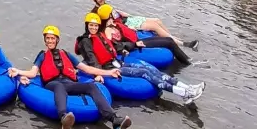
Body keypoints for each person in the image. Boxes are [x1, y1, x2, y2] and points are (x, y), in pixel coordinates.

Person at [7, 25, 132, 129]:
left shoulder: (66, 54)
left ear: (57, 40)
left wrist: (109, 72)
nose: (50, 41)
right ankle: (64, 117)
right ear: (45, 41)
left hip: (70, 83)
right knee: (59, 86)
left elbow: (87, 69)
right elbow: (33, 73)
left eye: (52, 38)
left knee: (91, 86)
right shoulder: (42, 55)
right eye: (48, 38)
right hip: (53, 84)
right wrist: (18, 72)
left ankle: (114, 119)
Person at [76, 13, 204, 104]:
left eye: (95, 25)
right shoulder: (85, 41)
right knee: (144, 72)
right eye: (91, 25)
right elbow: (91, 58)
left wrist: (132, 46)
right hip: (108, 69)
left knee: (149, 69)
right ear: (87, 25)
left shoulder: (99, 36)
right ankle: (183, 93)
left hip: (117, 63)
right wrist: (98, 74)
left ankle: (187, 88)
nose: (93, 28)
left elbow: (115, 47)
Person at [90, 0, 198, 50]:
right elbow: (103, 28)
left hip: (126, 20)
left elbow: (118, 12)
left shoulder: (106, 6)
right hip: (123, 26)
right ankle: (183, 44)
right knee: (154, 26)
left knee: (157, 20)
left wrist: (132, 16)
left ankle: (174, 38)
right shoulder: (96, 12)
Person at [94, 2, 194, 65]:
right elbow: (116, 47)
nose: (115, 14)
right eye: (112, 13)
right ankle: (188, 62)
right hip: (136, 44)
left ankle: (187, 59)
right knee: (169, 42)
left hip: (136, 39)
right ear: (108, 16)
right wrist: (134, 45)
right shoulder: (107, 32)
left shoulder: (113, 24)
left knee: (169, 40)